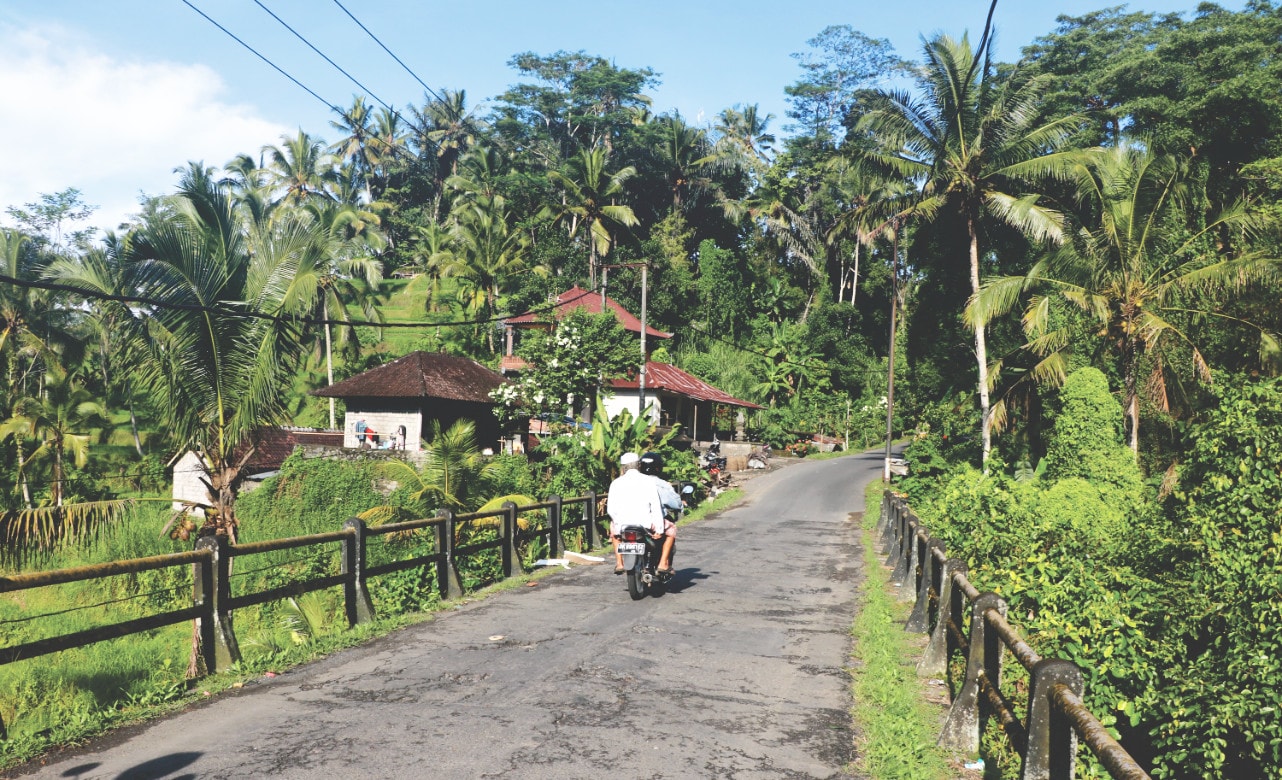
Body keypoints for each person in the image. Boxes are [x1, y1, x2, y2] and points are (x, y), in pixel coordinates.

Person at [606, 451, 681, 575]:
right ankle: (663, 564)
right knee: (672, 529)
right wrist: (659, 530)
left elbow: (610, 510)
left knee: (613, 532)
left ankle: (619, 563)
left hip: (623, 525)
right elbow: (656, 507)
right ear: (638, 465)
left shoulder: (615, 483)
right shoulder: (648, 481)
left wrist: (618, 527)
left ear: (623, 468)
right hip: (645, 524)